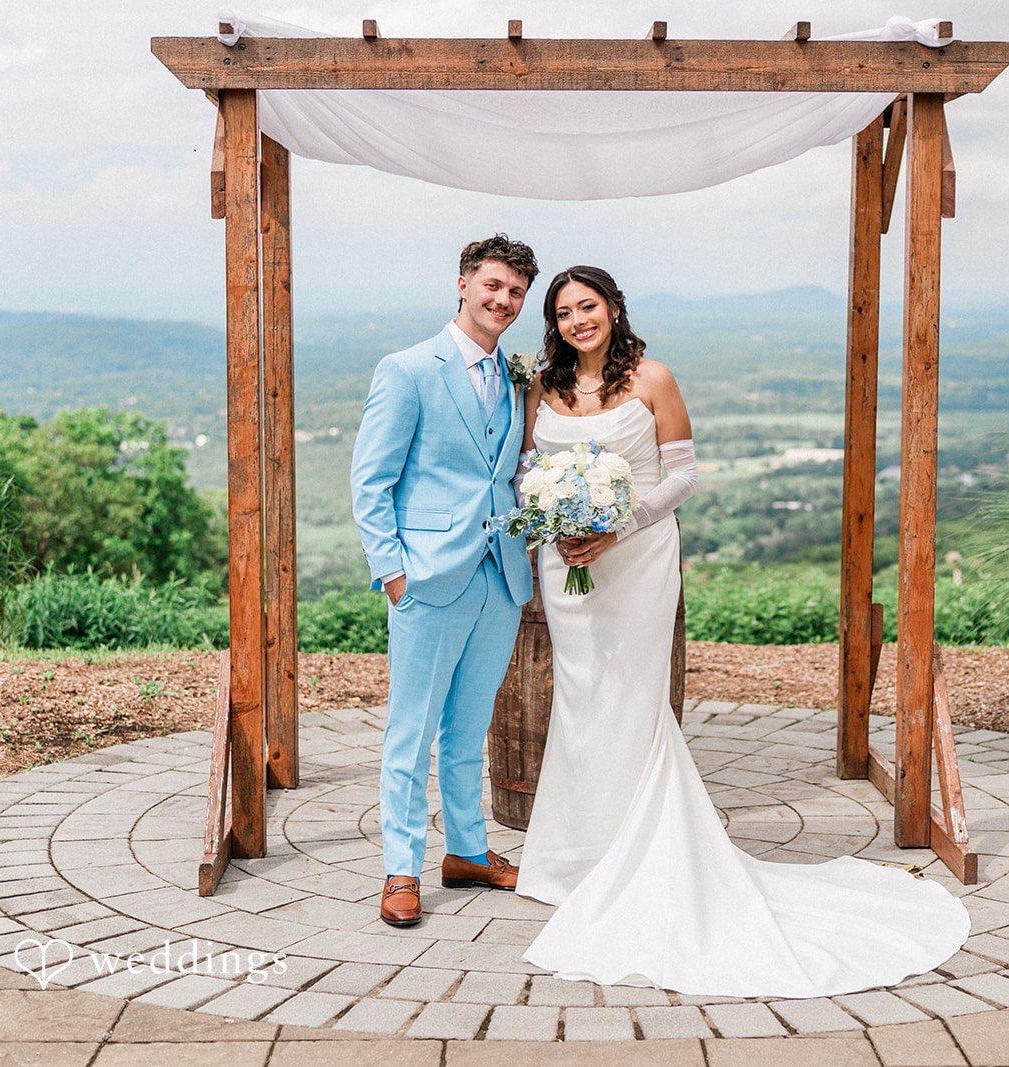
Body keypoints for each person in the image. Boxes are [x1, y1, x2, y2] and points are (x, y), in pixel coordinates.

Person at [514, 265, 971, 997]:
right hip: (564, 560)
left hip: (636, 559)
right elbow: (528, 467)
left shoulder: (654, 378)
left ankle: (637, 852)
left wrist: (616, 526)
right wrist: (556, 520)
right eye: (564, 312)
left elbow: (682, 476)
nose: (577, 321)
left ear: (614, 307)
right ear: (554, 324)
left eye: (588, 306)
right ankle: (573, 858)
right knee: (579, 695)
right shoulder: (544, 386)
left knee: (630, 695)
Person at [350, 234, 539, 926]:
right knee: (412, 731)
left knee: (469, 729)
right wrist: (393, 573)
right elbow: (371, 481)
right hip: (428, 579)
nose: (503, 300)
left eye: (515, 292)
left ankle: (466, 851)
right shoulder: (407, 370)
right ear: (463, 284)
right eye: (493, 285)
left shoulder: (517, 378)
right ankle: (401, 868)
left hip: (500, 578)